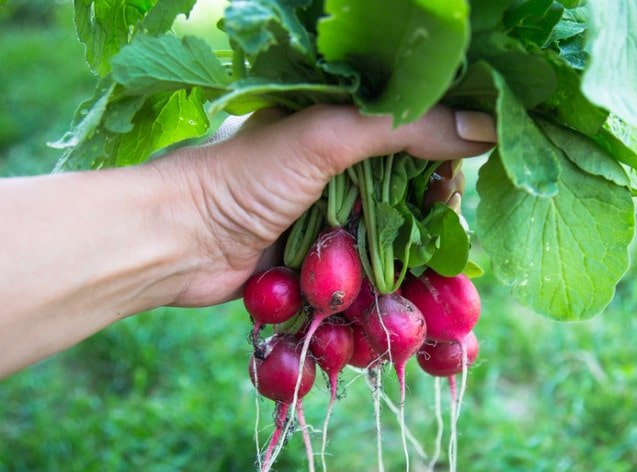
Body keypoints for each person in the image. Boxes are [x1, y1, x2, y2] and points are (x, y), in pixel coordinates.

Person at [0, 105, 496, 378]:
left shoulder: (360, 304)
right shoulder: (339, 296)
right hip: (336, 286)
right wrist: (201, 211)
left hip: (346, 289)